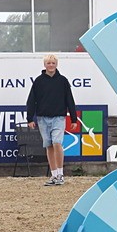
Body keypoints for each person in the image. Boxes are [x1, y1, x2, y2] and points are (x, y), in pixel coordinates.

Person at [26, 53, 79, 186]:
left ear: (56, 64)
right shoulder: (38, 81)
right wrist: (29, 118)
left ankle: (60, 174)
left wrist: (73, 118)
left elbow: (69, 100)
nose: (51, 65)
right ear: (45, 65)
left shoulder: (63, 81)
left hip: (59, 117)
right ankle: (54, 175)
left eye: (53, 63)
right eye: (48, 63)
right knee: (48, 145)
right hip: (42, 118)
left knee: (57, 143)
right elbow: (32, 100)